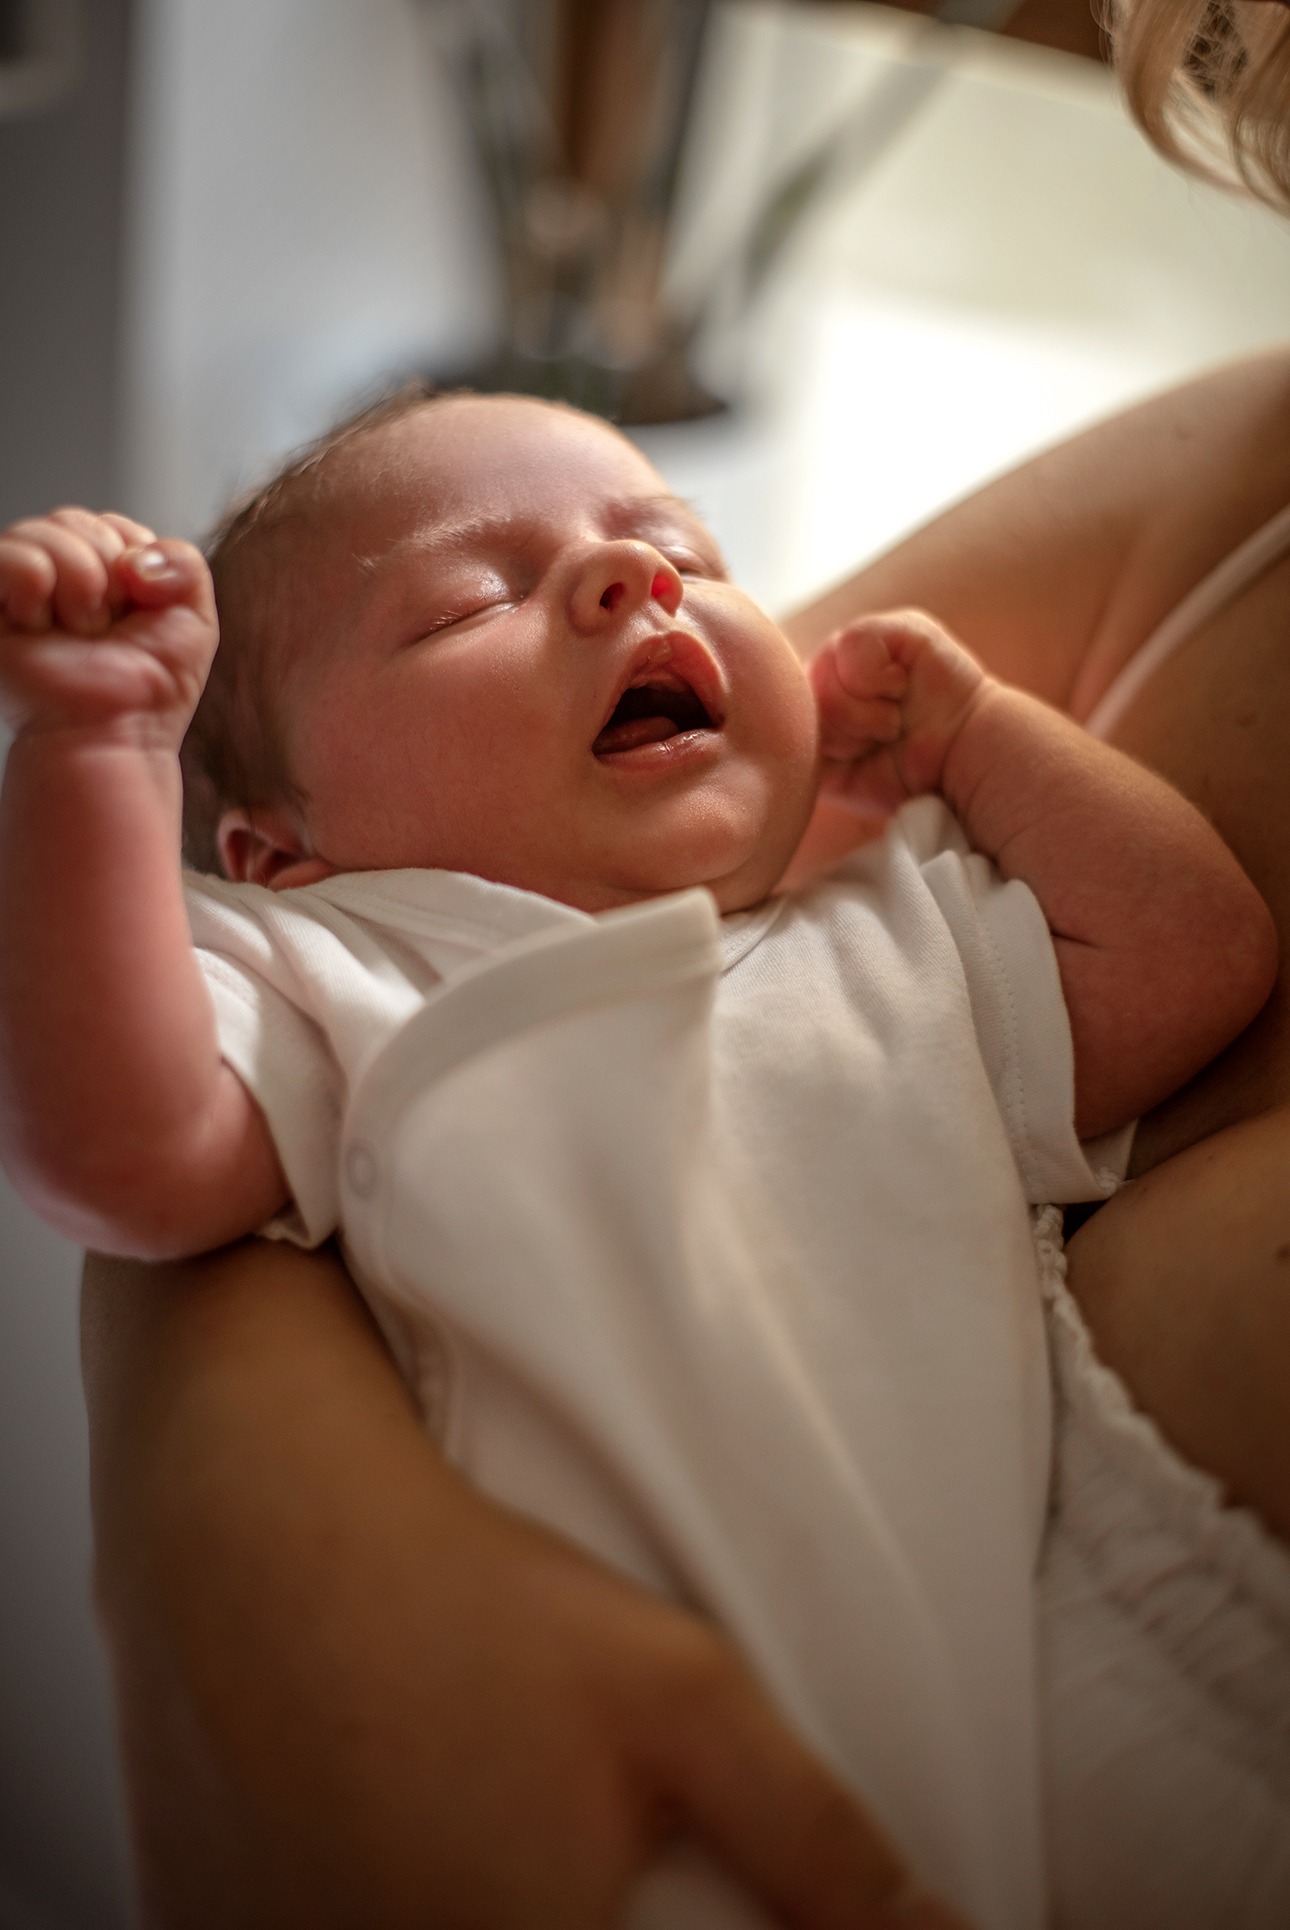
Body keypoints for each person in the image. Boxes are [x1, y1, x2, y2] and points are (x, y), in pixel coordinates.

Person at [67, 5, 1290, 1924]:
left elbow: (1196, 966)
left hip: (926, 1796)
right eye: (469, 597)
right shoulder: (348, 963)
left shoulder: (892, 934)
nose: (628, 576)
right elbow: (120, 1157)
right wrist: (89, 758)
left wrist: (986, 740)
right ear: (277, 849)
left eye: (680, 547)